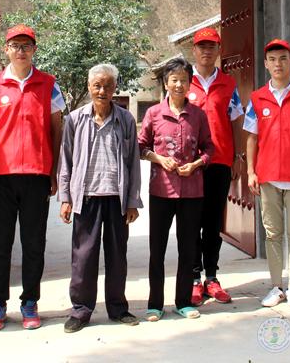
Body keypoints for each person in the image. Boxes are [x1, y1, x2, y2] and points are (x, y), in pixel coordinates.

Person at [0, 24, 66, 331]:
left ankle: (30, 302)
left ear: (34, 50)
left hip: (36, 174)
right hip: (0, 176)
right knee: (0, 244)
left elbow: (56, 130)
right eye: (15, 45)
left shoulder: (48, 85)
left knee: (33, 244)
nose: (21, 51)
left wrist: (53, 171)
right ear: (6, 50)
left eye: (26, 46)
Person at [58, 64, 142, 333]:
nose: (102, 91)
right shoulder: (75, 119)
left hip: (117, 198)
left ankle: (117, 308)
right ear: (89, 86)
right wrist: (65, 197)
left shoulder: (125, 119)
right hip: (86, 197)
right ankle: (81, 310)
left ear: (115, 88)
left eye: (107, 86)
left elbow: (133, 162)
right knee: (84, 257)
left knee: (117, 256)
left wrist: (132, 201)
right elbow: (66, 160)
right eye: (97, 85)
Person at [244, 39, 290, 309]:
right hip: (267, 176)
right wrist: (251, 171)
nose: (278, 64)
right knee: (272, 234)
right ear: (266, 64)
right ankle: (276, 287)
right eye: (273, 60)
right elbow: (252, 138)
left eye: (283, 58)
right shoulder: (257, 98)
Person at [138, 57, 214, 321]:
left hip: (192, 192)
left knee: (188, 249)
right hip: (161, 190)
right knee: (157, 248)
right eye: (174, 80)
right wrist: (160, 159)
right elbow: (141, 146)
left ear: (190, 83)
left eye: (184, 80)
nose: (179, 84)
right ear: (165, 83)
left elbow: (208, 147)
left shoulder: (198, 115)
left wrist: (196, 164)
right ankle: (155, 304)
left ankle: (183, 302)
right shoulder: (153, 114)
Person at [186, 27, 244, 306]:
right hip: (190, 165)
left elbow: (236, 121)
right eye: (202, 46)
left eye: (212, 46)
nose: (206, 51)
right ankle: (194, 279)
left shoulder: (228, 84)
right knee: (192, 221)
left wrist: (238, 156)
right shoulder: (184, 81)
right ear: (194, 50)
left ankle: (211, 277)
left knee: (213, 223)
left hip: (220, 161)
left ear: (219, 50)